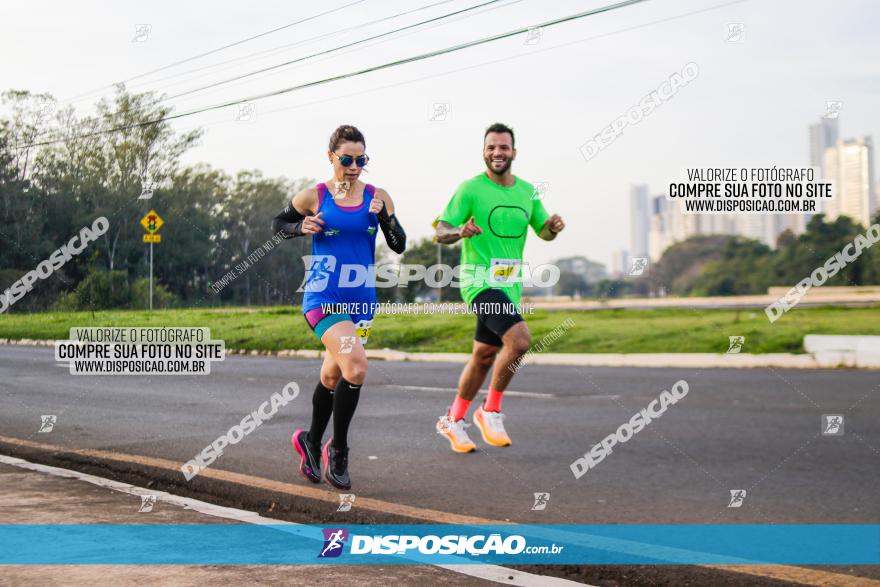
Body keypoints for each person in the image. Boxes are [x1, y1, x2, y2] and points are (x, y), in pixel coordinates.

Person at [273, 125, 406, 489]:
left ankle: (309, 443)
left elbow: (398, 244)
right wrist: (301, 227)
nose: (354, 166)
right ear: (330, 156)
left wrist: (385, 218)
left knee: (334, 376)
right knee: (358, 366)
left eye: (361, 159)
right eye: (346, 159)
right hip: (323, 298)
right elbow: (278, 224)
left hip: (361, 301)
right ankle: (340, 450)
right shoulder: (315, 195)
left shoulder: (377, 196)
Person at [433, 122, 565, 452]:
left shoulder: (528, 192)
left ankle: (453, 419)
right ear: (483, 152)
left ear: (514, 153)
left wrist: (552, 228)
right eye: (491, 147)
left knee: (483, 355)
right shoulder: (470, 189)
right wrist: (459, 231)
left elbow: (543, 232)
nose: (497, 152)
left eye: (503, 147)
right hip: (478, 281)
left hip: (509, 285)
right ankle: (490, 410)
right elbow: (441, 230)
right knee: (519, 340)